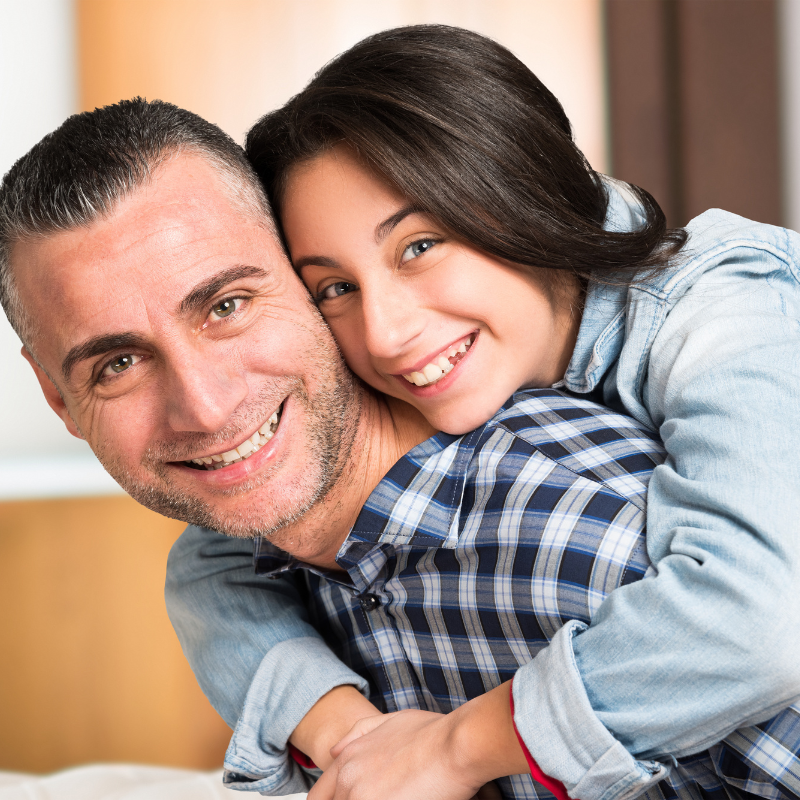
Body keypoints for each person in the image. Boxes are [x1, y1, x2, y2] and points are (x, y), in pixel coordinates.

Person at [0, 99, 796, 800]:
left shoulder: (610, 527)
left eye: (228, 305)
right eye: (118, 364)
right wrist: (357, 750)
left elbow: (763, 620)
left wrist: (453, 751)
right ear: (57, 398)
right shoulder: (261, 561)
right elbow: (206, 581)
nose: (205, 409)